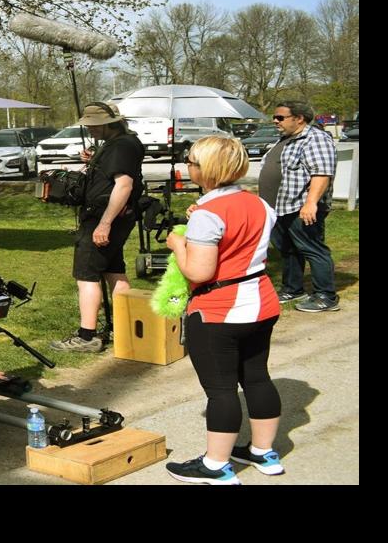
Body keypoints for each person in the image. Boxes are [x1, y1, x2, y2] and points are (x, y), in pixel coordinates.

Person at [162, 136, 285, 486]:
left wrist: (178, 243)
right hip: (261, 302)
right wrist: (201, 212)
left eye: (192, 161)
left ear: (206, 169)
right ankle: (263, 452)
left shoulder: (207, 214)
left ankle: (215, 466)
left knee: (221, 391)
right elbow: (240, 230)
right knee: (257, 377)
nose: (188, 165)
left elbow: (198, 272)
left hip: (219, 310)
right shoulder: (259, 203)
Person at [49, 101, 143, 353]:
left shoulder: (121, 146)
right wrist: (96, 161)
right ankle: (126, 326)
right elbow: (115, 174)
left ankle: (87, 336)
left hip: (103, 217)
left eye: (94, 125)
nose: (90, 129)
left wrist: (104, 224)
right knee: (114, 270)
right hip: (115, 216)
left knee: (86, 275)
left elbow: (124, 185)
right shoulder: (123, 143)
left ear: (110, 124)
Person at [259, 100, 341, 312]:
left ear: (299, 118)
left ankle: (326, 296)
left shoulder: (316, 139)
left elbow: (322, 173)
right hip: (279, 207)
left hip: (301, 207)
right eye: (274, 117)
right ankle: (292, 289)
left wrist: (311, 203)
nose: (275, 121)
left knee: (313, 249)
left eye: (280, 117)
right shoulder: (285, 139)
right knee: (288, 250)